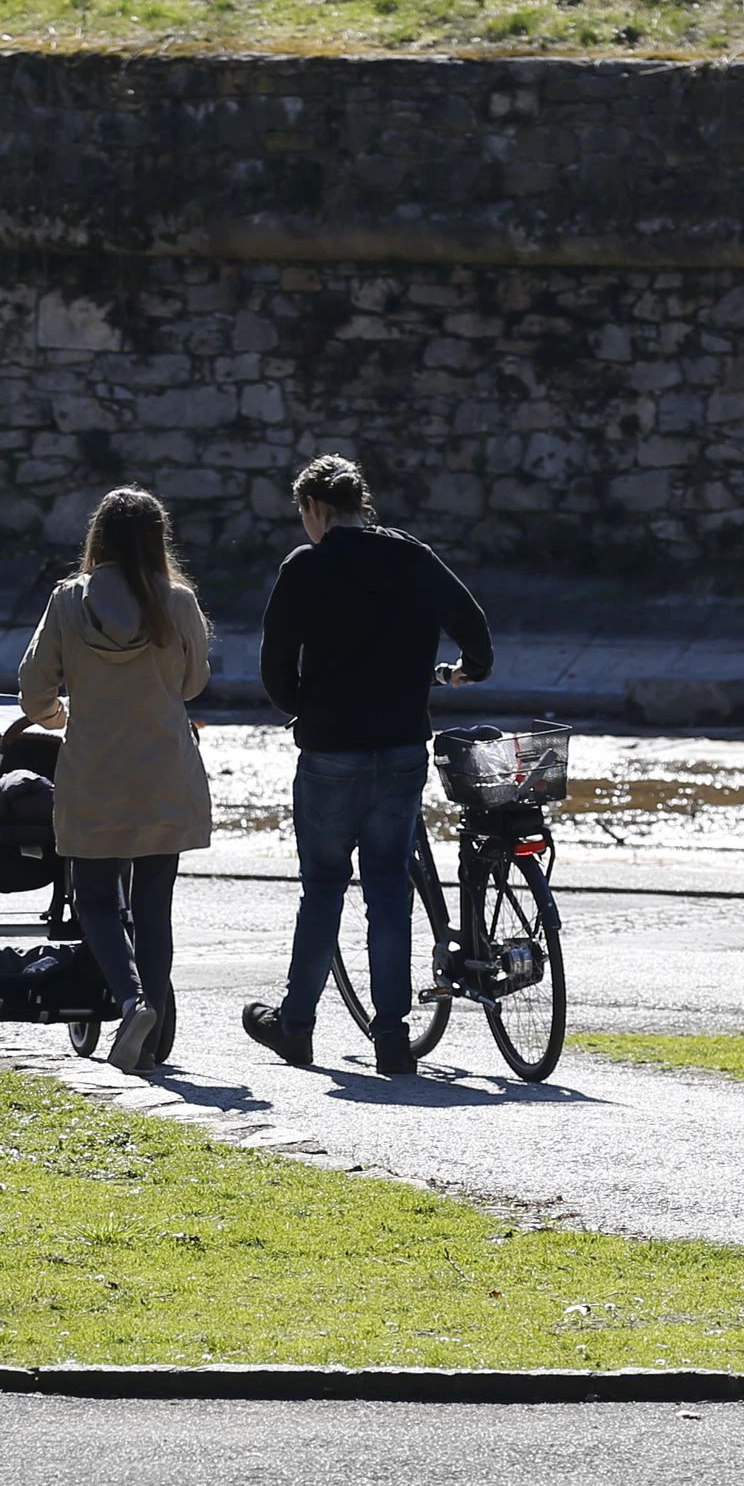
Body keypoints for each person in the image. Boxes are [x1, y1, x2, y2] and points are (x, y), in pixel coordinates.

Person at [242, 453, 493, 1076]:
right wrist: (469, 670)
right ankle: (391, 1038)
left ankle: (296, 1026)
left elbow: (275, 669)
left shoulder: (306, 567)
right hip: (403, 749)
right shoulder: (412, 555)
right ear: (360, 503)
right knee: (388, 891)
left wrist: (306, 708)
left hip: (330, 752)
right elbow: (475, 629)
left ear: (313, 509)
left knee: (323, 890)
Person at [16, 484, 214, 1072]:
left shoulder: (69, 602)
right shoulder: (178, 602)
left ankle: (131, 1003)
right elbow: (193, 684)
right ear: (158, 540)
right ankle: (153, 1035)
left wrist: (59, 717)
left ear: (96, 538)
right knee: (154, 908)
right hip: (164, 774)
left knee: (96, 899)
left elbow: (34, 692)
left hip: (95, 774)